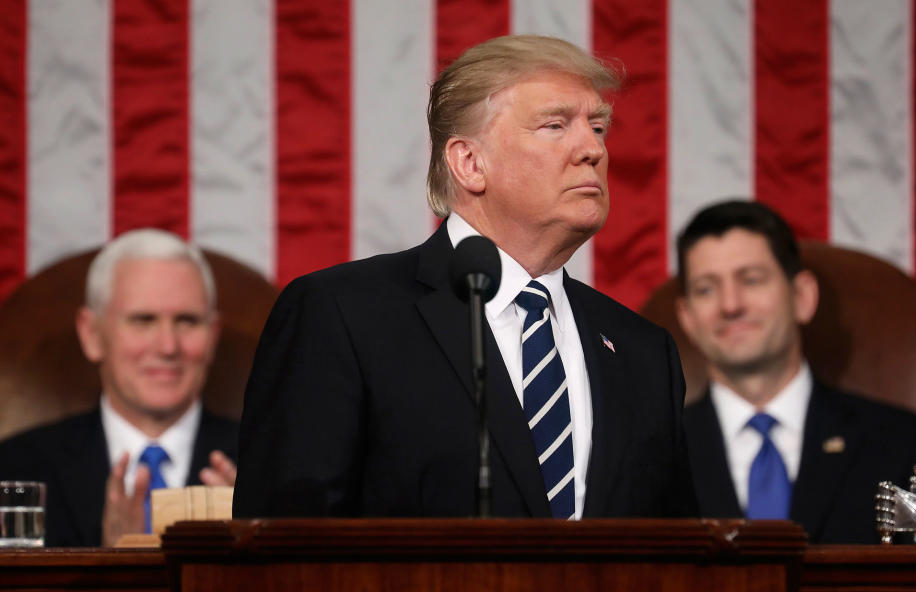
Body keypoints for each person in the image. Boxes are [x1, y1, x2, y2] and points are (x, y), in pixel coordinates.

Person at [233, 35, 696, 519]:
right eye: (556, 125)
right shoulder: (341, 316)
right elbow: (282, 546)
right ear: (470, 162)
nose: (592, 150)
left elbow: (680, 553)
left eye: (598, 127)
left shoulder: (644, 352)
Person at [676, 200, 916, 543]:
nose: (730, 305)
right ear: (687, 318)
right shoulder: (653, 456)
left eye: (751, 279)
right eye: (707, 288)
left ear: (802, 296)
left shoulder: (907, 447)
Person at [0, 229, 239, 547]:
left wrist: (250, 553)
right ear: (92, 334)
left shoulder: (268, 468)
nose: (168, 346)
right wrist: (113, 567)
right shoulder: (13, 468)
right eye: (143, 320)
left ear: (213, 335)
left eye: (187, 321)